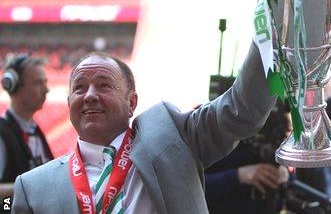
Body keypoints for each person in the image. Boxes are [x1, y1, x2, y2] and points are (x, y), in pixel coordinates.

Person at [10, 42, 276, 213]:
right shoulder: (32, 188)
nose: (89, 95)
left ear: (131, 102)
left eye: (104, 85)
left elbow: (241, 111)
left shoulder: (174, 139)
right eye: (79, 88)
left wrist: (269, 32)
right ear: (69, 103)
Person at [204, 105, 290, 214]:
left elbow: (292, 180)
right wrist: (238, 175)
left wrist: (284, 174)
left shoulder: (277, 123)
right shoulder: (211, 124)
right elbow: (186, 187)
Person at [0, 54, 51, 199]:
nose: (46, 89)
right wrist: (29, 186)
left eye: (45, 82)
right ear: (14, 86)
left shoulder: (35, 131)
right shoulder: (2, 133)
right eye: (38, 83)